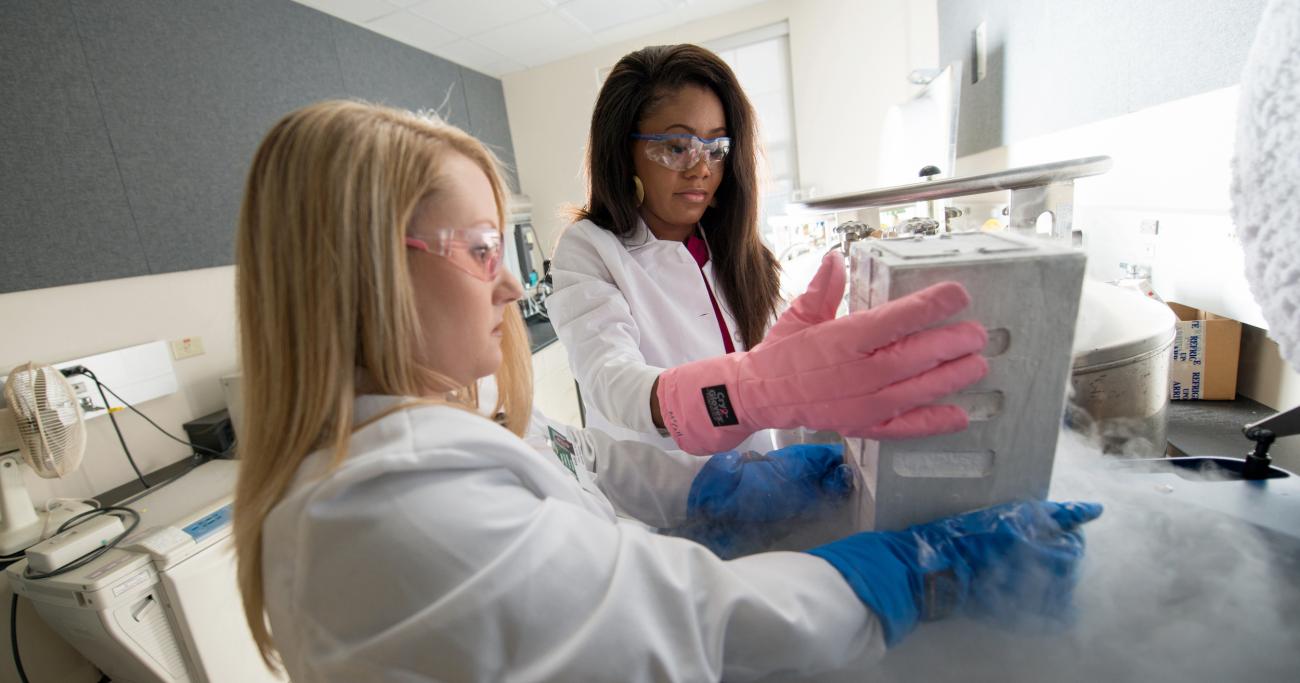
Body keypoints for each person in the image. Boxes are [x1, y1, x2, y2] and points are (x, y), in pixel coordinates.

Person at [230, 99, 1102, 682]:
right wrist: (912, 571)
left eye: (716, 147)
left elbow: (581, 463)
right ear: (360, 269)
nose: (509, 289)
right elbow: (687, 622)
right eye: (483, 249)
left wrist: (717, 486)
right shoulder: (385, 508)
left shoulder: (447, 426)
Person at [547, 44, 984, 457]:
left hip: (760, 489)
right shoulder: (590, 249)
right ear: (624, 155)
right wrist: (740, 391)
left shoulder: (739, 250)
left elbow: (787, 381)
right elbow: (610, 381)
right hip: (657, 502)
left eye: (717, 148)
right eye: (677, 147)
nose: (701, 168)